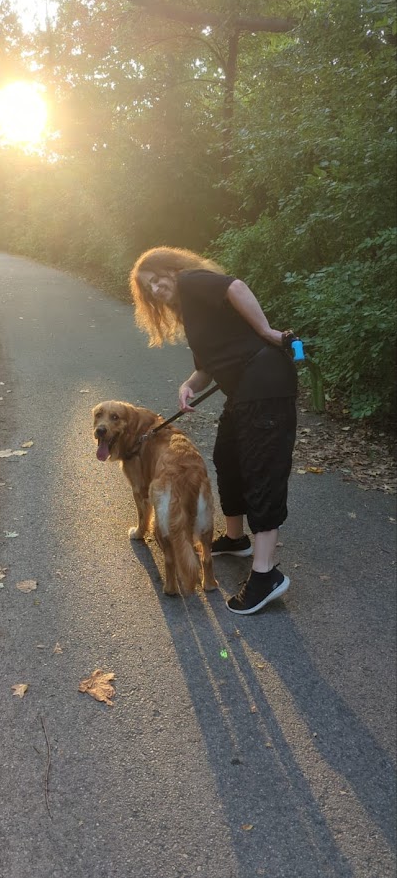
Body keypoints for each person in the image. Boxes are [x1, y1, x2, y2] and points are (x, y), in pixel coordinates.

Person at [130, 245, 298, 615]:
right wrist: (188, 385)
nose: (156, 288)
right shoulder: (192, 313)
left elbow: (234, 286)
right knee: (227, 457)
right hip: (243, 392)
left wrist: (266, 331)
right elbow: (207, 366)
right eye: (148, 286)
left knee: (262, 473)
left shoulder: (192, 280)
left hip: (266, 384)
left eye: (158, 278)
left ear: (173, 269)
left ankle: (266, 575)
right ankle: (236, 540)